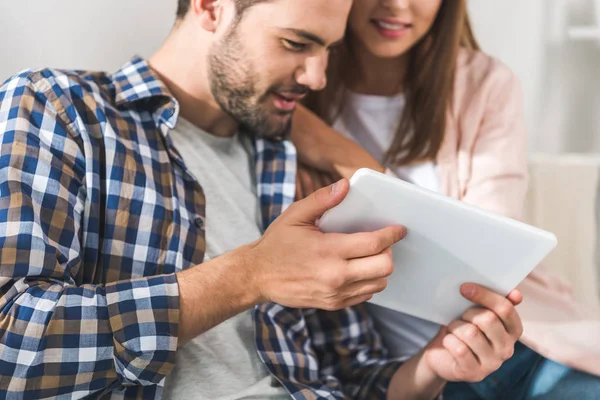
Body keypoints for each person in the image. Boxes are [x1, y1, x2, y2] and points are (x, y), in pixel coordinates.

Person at [0, 0, 525, 399]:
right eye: (296, 44)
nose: (316, 77)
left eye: (328, 50)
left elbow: (355, 373)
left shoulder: (291, 166)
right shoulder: (60, 110)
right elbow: (13, 343)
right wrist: (251, 274)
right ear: (210, 8)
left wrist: (435, 365)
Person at [291, 0, 600, 398]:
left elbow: (487, 257)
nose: (397, 5)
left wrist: (342, 155)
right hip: (414, 376)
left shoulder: (484, 83)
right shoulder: (298, 86)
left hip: (523, 345)